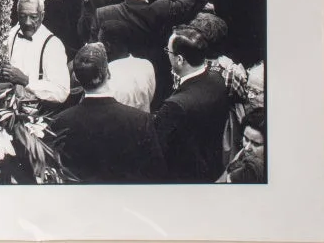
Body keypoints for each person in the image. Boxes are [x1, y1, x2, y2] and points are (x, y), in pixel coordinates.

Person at [54, 42, 166, 182]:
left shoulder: (61, 121)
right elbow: (155, 172)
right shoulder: (140, 120)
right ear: (108, 73)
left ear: (76, 78)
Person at [154, 25, 230, 181]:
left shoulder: (175, 105)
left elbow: (158, 147)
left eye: (168, 51)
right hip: (212, 168)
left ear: (180, 60)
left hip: (184, 178)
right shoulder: (218, 79)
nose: (167, 55)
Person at [1, 0, 70, 104]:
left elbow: (61, 92)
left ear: (42, 16)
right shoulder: (12, 33)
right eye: (23, 16)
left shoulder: (53, 45)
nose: (27, 22)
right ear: (17, 15)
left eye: (33, 17)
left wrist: (26, 81)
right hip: (7, 107)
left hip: (37, 112)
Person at [99, 21, 156, 112]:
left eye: (100, 43)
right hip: (145, 122)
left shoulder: (105, 75)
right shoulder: (146, 65)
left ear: (107, 46)